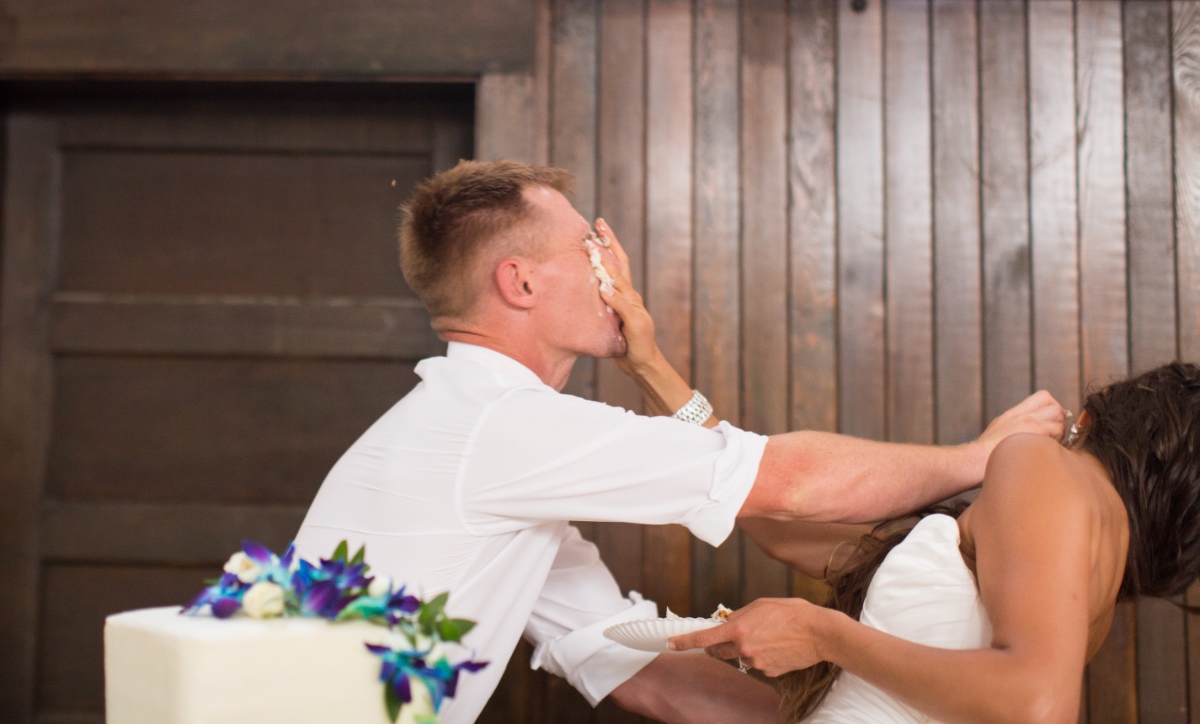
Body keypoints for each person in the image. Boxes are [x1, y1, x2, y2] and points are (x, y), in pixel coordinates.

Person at [292, 159, 1067, 724]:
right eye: (589, 252)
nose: (614, 272)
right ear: (521, 283)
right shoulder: (503, 425)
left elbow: (634, 666)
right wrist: (984, 454)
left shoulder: (486, 437)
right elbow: (790, 483)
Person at [671, 361, 1200, 724]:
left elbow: (1040, 704)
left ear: (1092, 418)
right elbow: (788, 531)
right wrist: (655, 371)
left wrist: (824, 635)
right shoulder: (1083, 602)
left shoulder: (1043, 467)